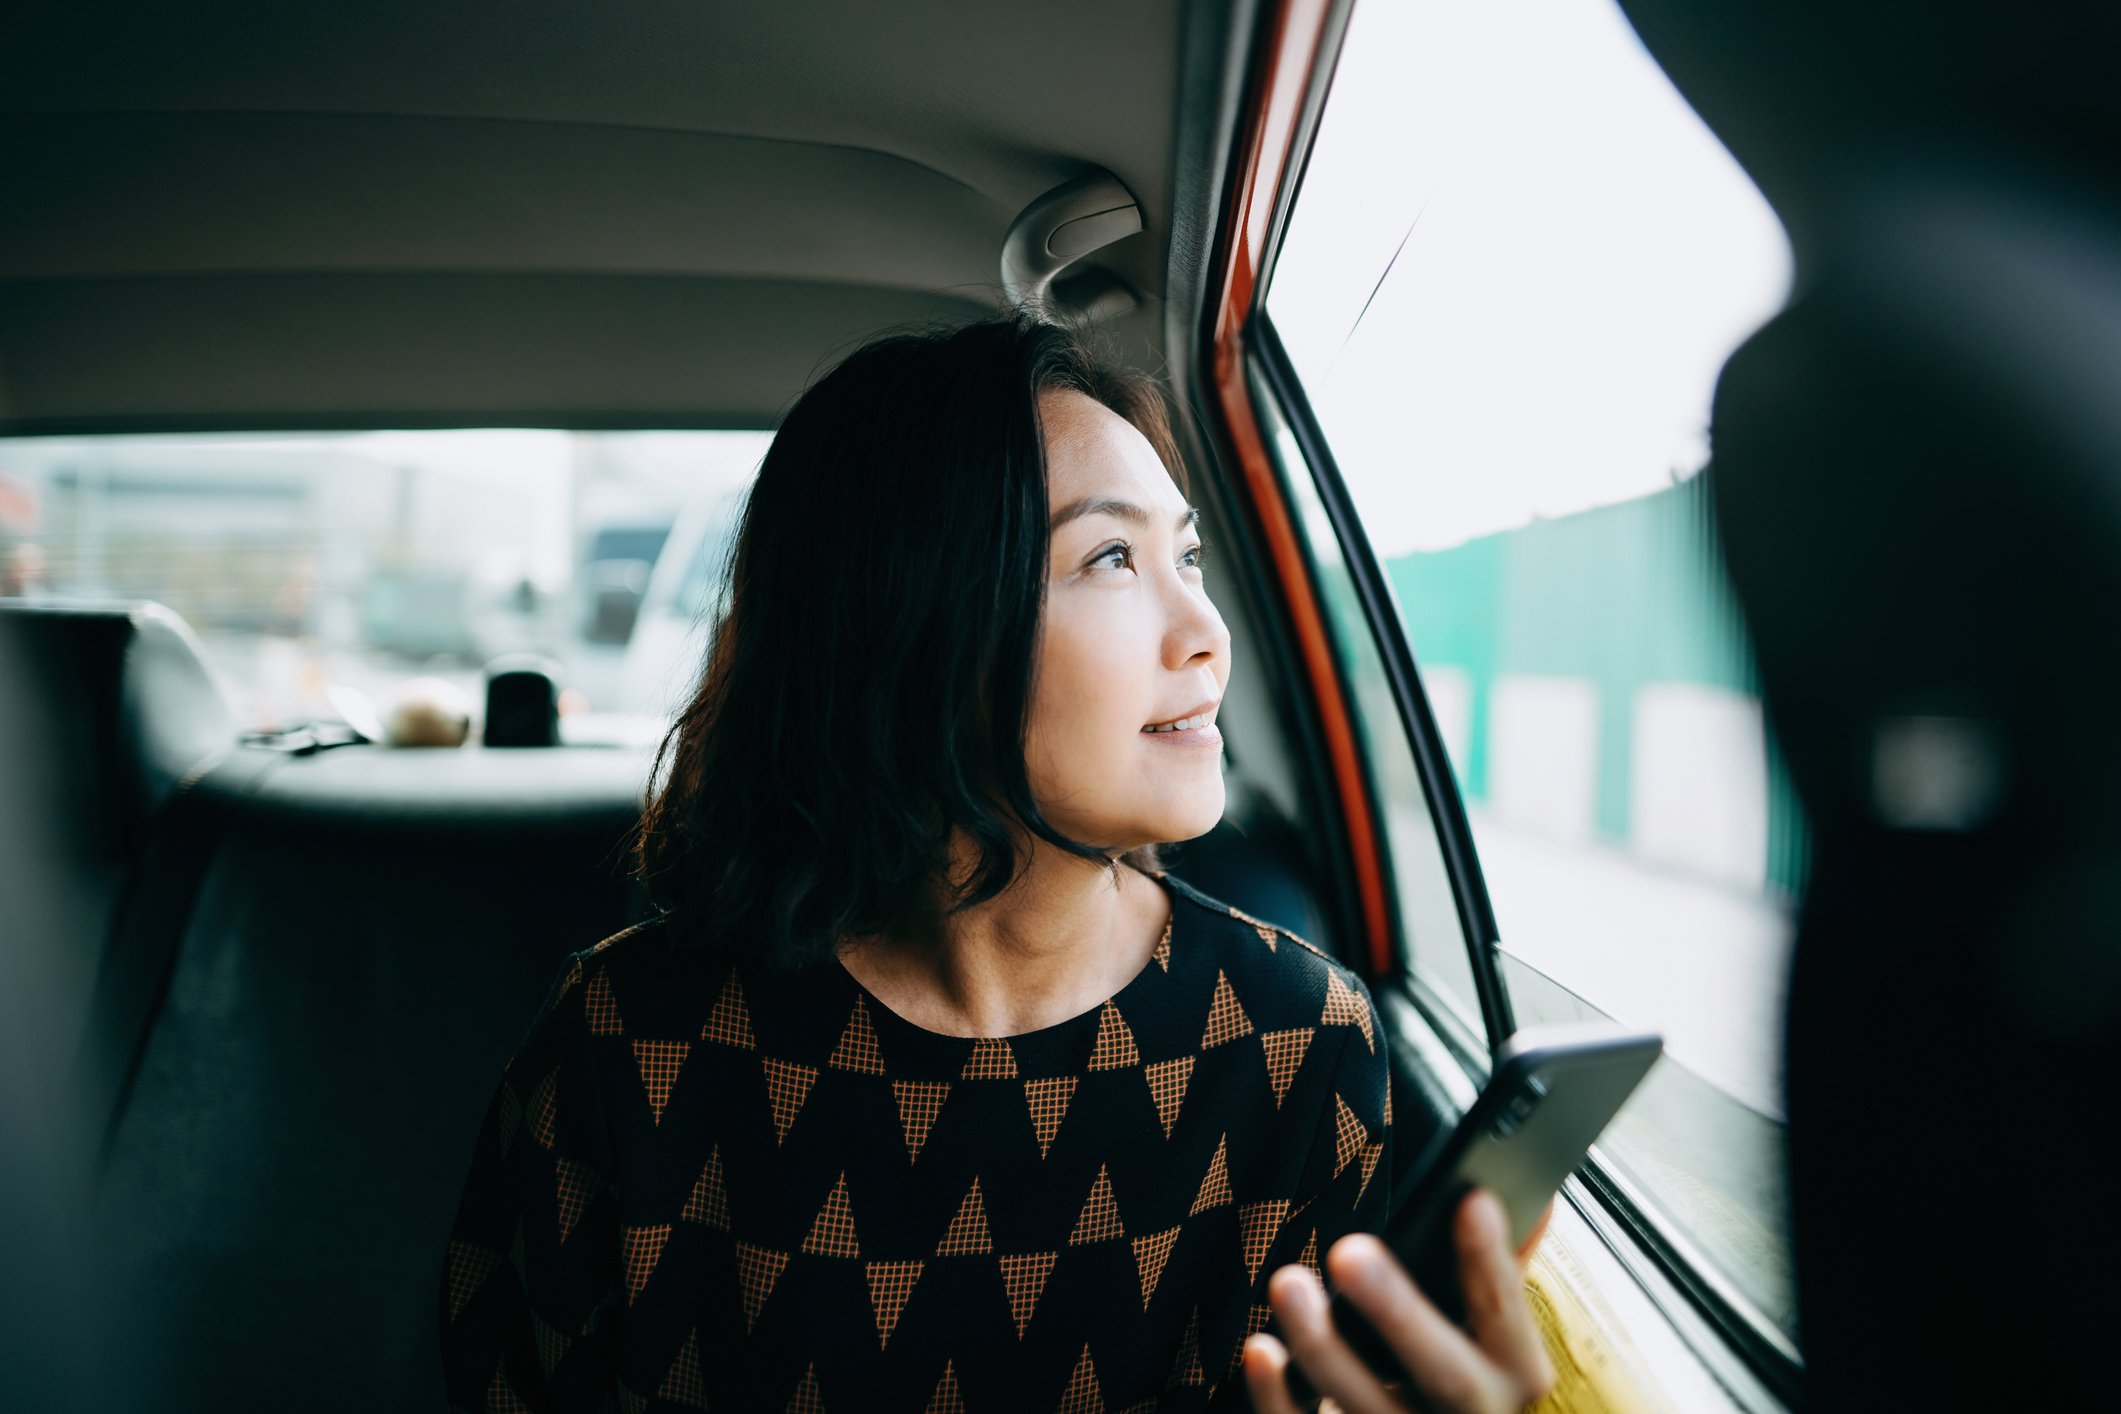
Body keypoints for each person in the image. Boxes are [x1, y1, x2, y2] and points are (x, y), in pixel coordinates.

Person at [437, 313, 1551, 1411]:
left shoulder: (1300, 1042)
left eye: (1190, 553)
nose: (1205, 626)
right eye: (1111, 556)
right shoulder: (624, 1044)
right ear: (910, 622)